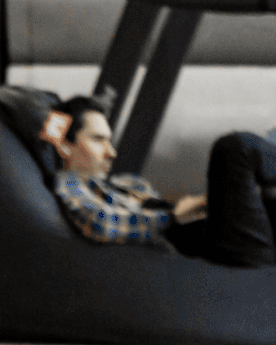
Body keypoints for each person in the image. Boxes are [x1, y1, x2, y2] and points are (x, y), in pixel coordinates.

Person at [45, 94, 276, 267]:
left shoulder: (117, 185)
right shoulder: (70, 184)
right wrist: (172, 216)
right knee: (236, 149)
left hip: (217, 233)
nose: (111, 152)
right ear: (65, 146)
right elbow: (101, 223)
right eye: (98, 140)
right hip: (226, 251)